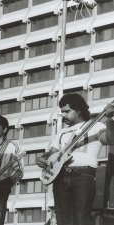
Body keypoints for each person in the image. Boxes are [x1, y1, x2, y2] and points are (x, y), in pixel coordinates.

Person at [37, 93, 114, 225]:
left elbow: (110, 139)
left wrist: (110, 119)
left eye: (67, 111)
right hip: (60, 176)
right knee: (62, 219)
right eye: (62, 112)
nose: (63, 115)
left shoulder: (96, 126)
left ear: (78, 110)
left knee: (81, 217)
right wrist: (43, 159)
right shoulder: (61, 132)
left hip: (83, 175)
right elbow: (52, 154)